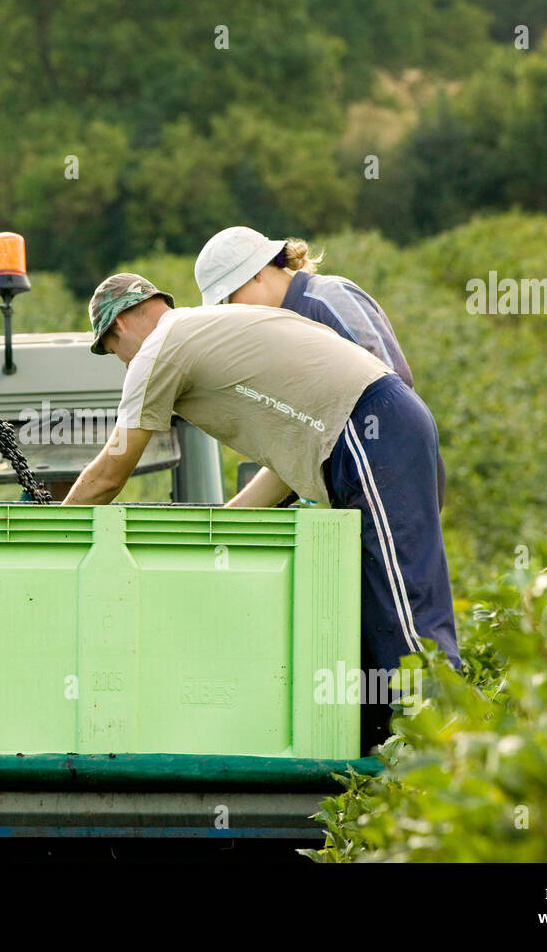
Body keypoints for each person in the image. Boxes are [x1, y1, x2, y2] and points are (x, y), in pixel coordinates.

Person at [62, 273, 460, 752]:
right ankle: (393, 760)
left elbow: (112, 471)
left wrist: (55, 535)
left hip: (369, 426)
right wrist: (219, 532)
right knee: (372, 609)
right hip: (368, 427)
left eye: (110, 350)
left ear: (120, 324)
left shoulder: (157, 350)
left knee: (404, 606)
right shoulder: (213, 328)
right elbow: (287, 467)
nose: (119, 363)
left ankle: (450, 759)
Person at [194, 226, 444, 510]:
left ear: (256, 273)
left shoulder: (329, 298)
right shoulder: (275, 338)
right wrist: (230, 518)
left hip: (391, 474)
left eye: (228, 300)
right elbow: (297, 446)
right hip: (351, 490)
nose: (229, 313)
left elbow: (392, 390)